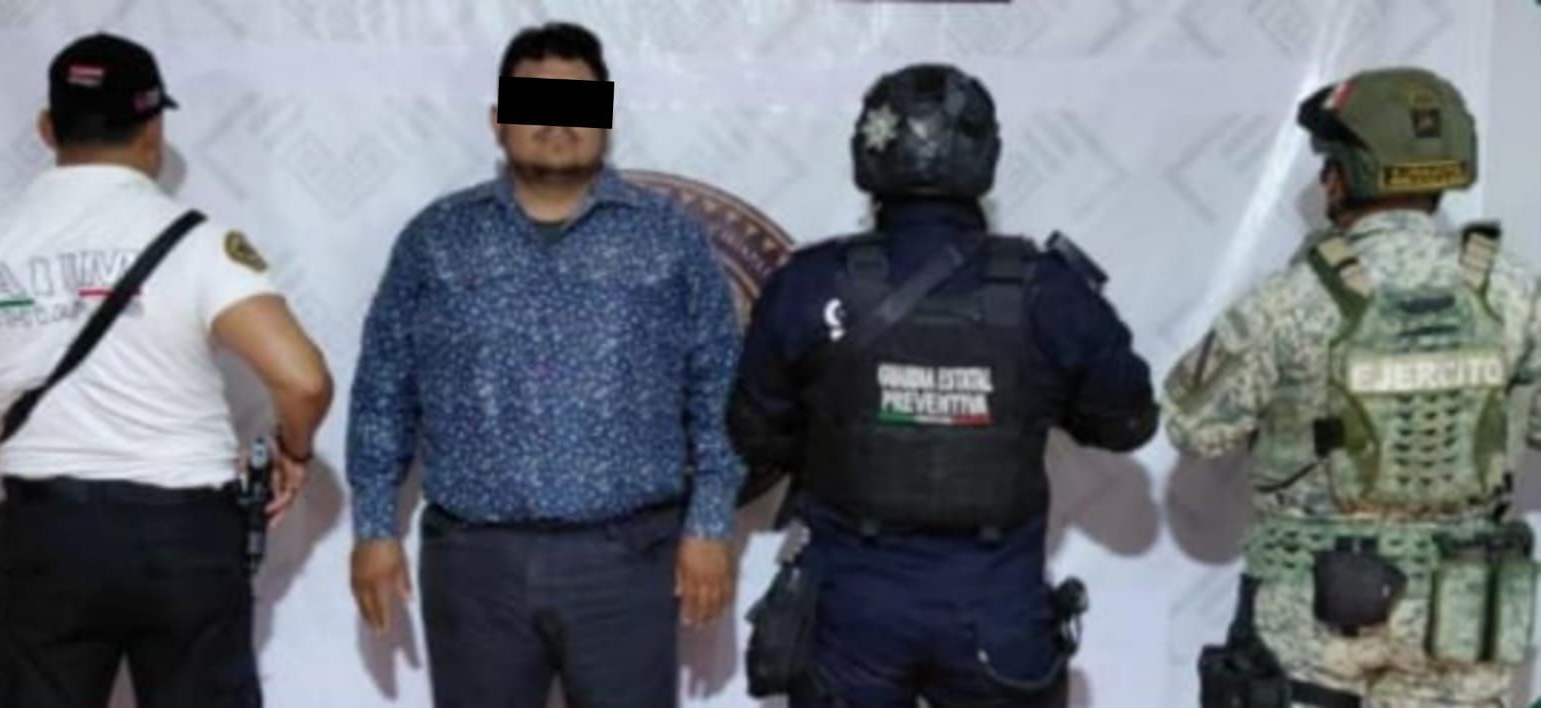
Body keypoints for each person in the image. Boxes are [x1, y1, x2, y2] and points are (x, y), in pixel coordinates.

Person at [728, 63, 1159, 707]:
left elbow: (754, 432)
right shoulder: (1048, 290)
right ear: (985, 156)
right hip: (995, 610)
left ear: (868, 154)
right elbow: (1127, 423)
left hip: (853, 611)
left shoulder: (810, 283)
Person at [345, 21, 745, 708]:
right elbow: (383, 388)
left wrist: (710, 525)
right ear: (498, 119)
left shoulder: (668, 238)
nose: (557, 122)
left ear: (606, 117)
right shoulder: (437, 239)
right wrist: (375, 528)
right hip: (475, 566)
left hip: (627, 562)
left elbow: (719, 388)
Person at [0, 33, 334, 706]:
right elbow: (303, 380)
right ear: (153, 129)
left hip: (45, 535)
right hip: (184, 536)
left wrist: (47, 435)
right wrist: (293, 451)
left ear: (47, 128)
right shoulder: (199, 243)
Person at [1165, 66, 1540, 707]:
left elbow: (1192, 427)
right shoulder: (1512, 291)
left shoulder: (1292, 299)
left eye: (1328, 164)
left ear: (1343, 175)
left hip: (1316, 616)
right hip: (1463, 611)